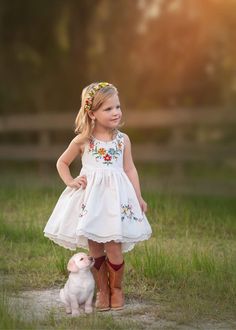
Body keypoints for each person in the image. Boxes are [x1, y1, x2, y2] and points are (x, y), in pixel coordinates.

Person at [44, 82, 152, 311]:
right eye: (108, 109)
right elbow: (62, 162)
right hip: (91, 203)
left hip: (115, 202)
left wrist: (138, 197)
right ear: (92, 113)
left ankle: (117, 290)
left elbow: (130, 169)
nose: (116, 112)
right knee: (95, 248)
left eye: (118, 107)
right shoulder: (84, 140)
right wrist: (70, 181)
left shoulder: (123, 140)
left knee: (114, 247)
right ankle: (102, 291)